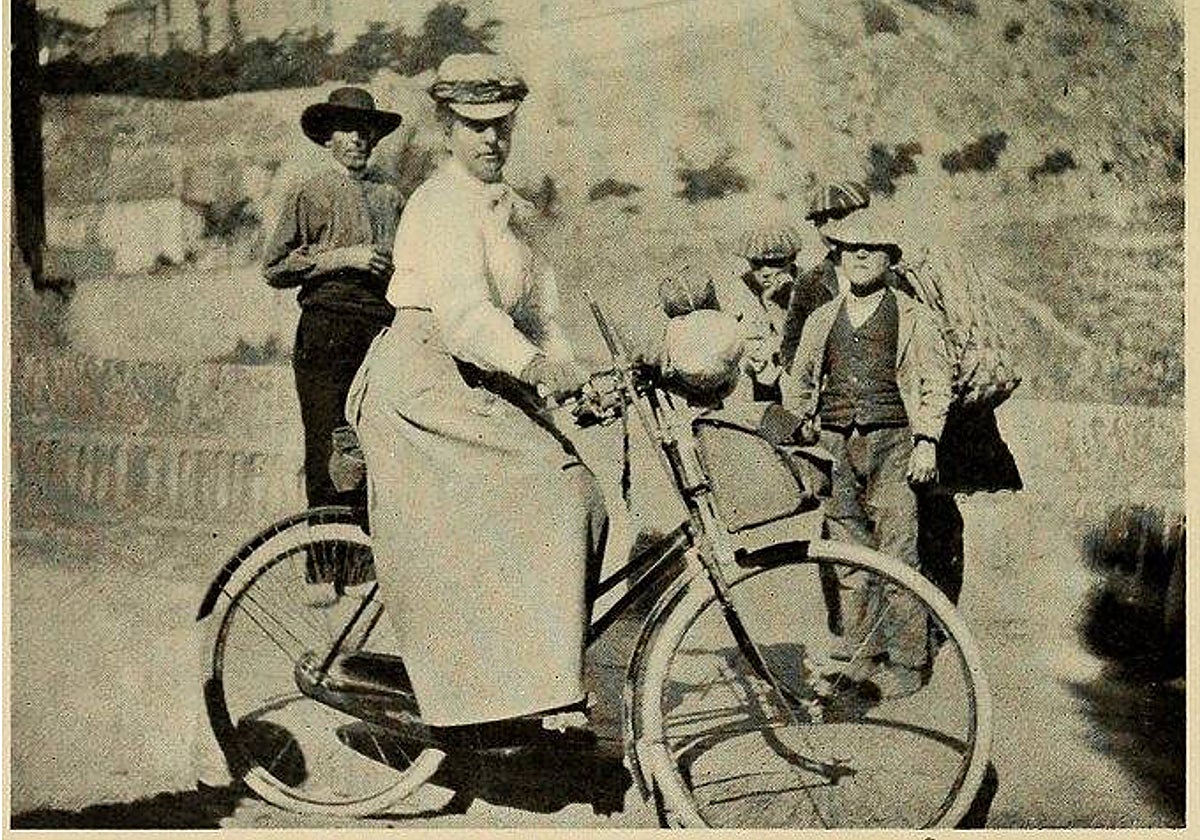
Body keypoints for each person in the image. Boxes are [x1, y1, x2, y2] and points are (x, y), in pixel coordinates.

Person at [345, 53, 607, 743]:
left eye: (503, 125)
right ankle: (509, 696)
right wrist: (537, 369)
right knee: (553, 491)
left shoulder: (509, 211)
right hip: (425, 379)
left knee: (582, 494)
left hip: (478, 373)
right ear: (447, 128)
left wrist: (572, 376)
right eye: (475, 125)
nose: (492, 138)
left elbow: (540, 313)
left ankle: (523, 682)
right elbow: (465, 317)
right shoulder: (440, 205)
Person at [782, 202, 953, 698]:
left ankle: (907, 662)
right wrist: (802, 435)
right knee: (849, 559)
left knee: (899, 555)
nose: (858, 256)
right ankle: (861, 657)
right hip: (835, 445)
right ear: (838, 256)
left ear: (890, 258)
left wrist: (927, 441)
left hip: (893, 443)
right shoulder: (822, 318)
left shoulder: (914, 317)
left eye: (870, 249)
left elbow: (935, 384)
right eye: (850, 249)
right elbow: (800, 384)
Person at [262, 86, 404, 597]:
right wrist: (342, 258)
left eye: (365, 130)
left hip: (379, 330)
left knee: (372, 444)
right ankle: (322, 570)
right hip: (325, 329)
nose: (357, 139)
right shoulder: (309, 192)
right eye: (346, 130)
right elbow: (275, 268)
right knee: (327, 443)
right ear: (328, 139)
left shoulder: (391, 197)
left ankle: (362, 568)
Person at [777, 180, 870, 371]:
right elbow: (791, 344)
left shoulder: (889, 273)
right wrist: (808, 377)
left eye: (837, 217)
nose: (828, 229)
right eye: (820, 221)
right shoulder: (809, 282)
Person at [725, 225, 819, 403]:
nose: (766, 272)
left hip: (798, 372)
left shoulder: (808, 285)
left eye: (776, 263)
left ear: (792, 259)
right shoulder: (741, 287)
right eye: (756, 264)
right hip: (757, 374)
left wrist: (774, 303)